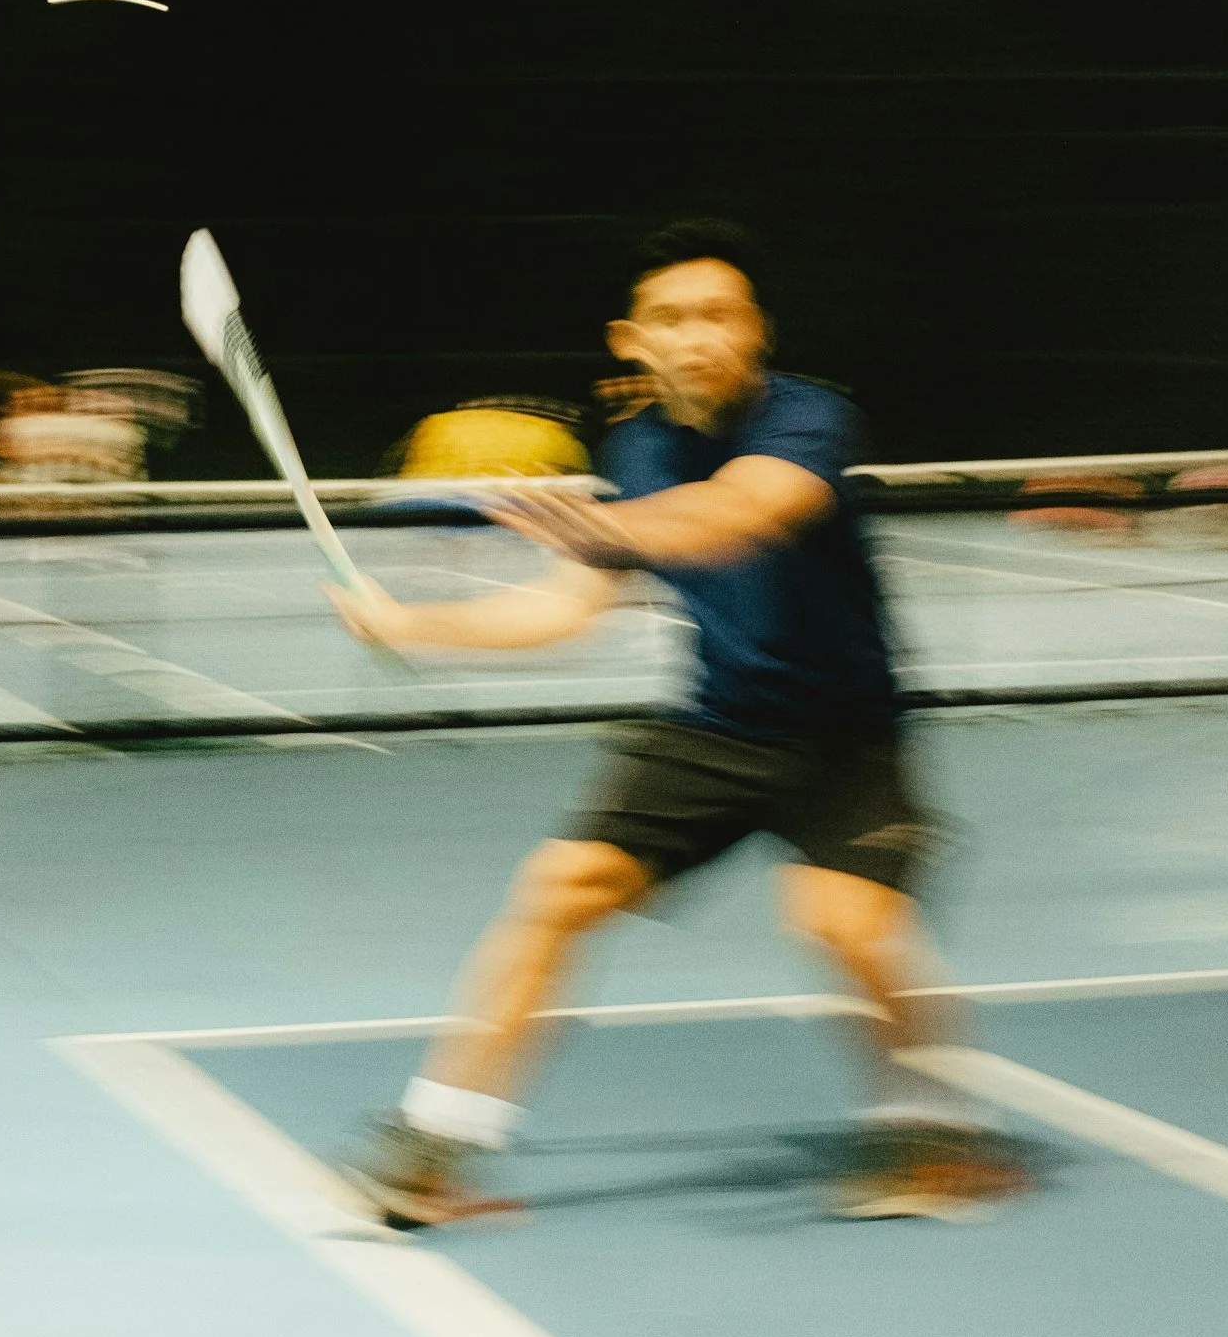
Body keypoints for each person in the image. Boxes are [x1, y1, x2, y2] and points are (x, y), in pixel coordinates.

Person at [327, 220, 1029, 1226]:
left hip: (843, 735)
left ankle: (936, 1133)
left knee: (844, 922)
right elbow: (561, 607)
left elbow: (739, 514)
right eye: (671, 318)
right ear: (629, 339)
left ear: (755, 331)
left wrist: (606, 529)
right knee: (559, 888)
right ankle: (435, 1146)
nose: (697, 336)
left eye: (718, 315)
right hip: (717, 725)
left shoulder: (808, 421)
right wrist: (415, 623)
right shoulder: (637, 447)